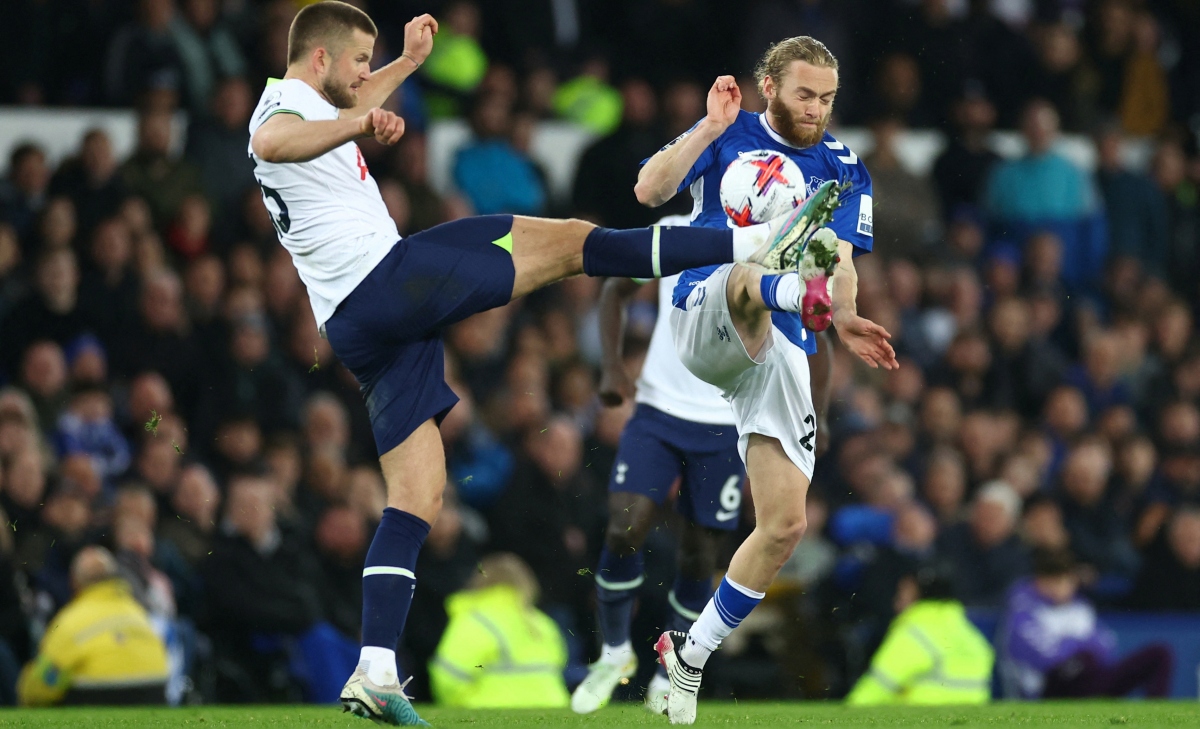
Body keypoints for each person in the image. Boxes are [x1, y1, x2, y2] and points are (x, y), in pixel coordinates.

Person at [247, 3, 817, 725]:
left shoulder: (318, 97)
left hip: (361, 323)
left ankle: (375, 669)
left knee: (418, 496)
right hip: (387, 281)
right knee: (578, 243)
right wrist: (360, 123)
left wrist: (406, 67)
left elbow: (347, 104)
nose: (367, 76)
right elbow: (275, 141)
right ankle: (752, 244)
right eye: (360, 60)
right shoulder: (281, 105)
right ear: (320, 58)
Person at [633, 36, 896, 724]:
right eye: (806, 94)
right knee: (750, 273)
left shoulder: (842, 167)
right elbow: (649, 190)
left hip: (775, 343)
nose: (818, 110)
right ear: (769, 87)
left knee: (784, 522)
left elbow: (841, 255)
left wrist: (844, 313)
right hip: (706, 302)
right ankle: (789, 295)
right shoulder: (730, 130)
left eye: (829, 98)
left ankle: (687, 655)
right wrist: (710, 127)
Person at [572, 211, 832, 715]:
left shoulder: (774, 239)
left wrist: (815, 412)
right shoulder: (673, 230)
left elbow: (816, 341)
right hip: (657, 410)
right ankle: (613, 653)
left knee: (697, 554)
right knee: (625, 529)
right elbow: (615, 291)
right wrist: (611, 366)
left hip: (724, 420)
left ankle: (671, 672)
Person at [1000, 548, 1172, 700]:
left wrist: (1076, 649)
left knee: (1160, 652)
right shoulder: (1023, 608)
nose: (1060, 587)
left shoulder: (1080, 608)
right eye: (1054, 580)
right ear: (1040, 581)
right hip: (1047, 690)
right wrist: (1080, 648)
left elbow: (1106, 647)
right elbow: (1045, 658)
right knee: (1080, 662)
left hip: (1090, 680)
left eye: (1066, 580)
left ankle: (1156, 712)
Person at [17, 546, 168, 706]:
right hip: (153, 694)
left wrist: (25, 691)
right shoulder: (138, 613)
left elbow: (43, 683)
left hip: (93, 700)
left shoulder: (71, 620)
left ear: (74, 582)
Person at [428, 553, 568, 708]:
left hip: (489, 706)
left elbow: (447, 676)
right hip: (552, 704)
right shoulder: (542, 622)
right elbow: (559, 664)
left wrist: (461, 704)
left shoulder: (475, 621)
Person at [845, 562, 993, 705]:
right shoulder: (967, 631)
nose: (896, 603)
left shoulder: (915, 632)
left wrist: (848, 712)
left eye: (902, 594)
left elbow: (879, 683)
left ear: (919, 594)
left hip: (921, 712)